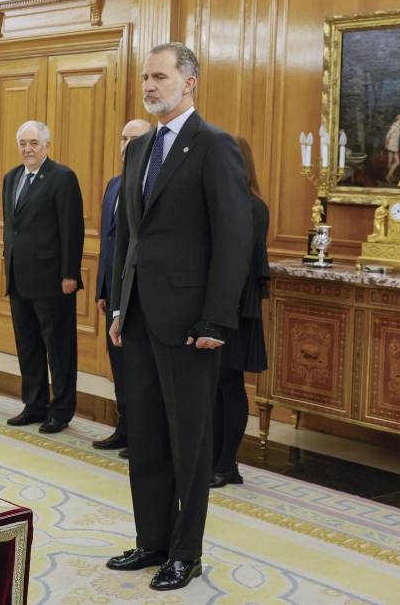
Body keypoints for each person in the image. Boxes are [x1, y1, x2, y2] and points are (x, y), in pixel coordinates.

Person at [106, 43, 252, 591]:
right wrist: (120, 304)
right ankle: (152, 541)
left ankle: (184, 553)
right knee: (144, 433)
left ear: (189, 82)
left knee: (189, 441)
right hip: (140, 315)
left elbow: (233, 239)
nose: (149, 85)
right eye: (145, 77)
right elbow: (130, 238)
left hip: (192, 324)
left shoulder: (215, 146)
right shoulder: (139, 148)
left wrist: (216, 321)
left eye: (159, 77)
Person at [2, 120, 84, 434]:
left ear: (47, 145)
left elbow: (71, 229)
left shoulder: (62, 178)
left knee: (59, 347)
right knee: (28, 345)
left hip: (52, 279)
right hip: (19, 277)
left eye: (34, 143)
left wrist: (70, 274)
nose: (28, 149)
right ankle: (34, 404)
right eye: (23, 143)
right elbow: (13, 227)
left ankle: (61, 410)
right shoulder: (11, 178)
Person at [211, 136, 269, 488]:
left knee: (229, 382)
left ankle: (227, 463)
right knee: (213, 385)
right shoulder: (221, 202)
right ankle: (214, 458)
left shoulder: (253, 206)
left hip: (237, 307)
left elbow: (243, 262)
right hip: (217, 305)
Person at [92, 118, 152, 458]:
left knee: (140, 369)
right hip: (114, 293)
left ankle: (143, 435)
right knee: (119, 366)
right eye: (123, 138)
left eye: (135, 139)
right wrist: (103, 289)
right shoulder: (114, 184)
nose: (126, 145)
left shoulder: (151, 186)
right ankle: (125, 427)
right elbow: (109, 244)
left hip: (140, 295)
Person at [385, 114, 400, 183]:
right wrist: (386, 144)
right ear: (398, 119)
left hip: (394, 146)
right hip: (391, 146)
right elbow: (388, 135)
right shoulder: (394, 126)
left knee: (393, 162)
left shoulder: (397, 126)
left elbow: (396, 133)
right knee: (395, 162)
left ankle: (390, 176)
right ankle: (388, 176)